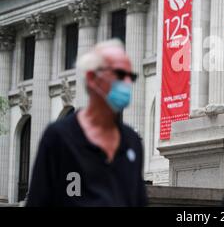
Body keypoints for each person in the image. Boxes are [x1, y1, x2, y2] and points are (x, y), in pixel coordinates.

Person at [26, 39, 147, 206]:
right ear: (92, 78)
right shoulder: (58, 137)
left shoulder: (132, 141)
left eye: (130, 76)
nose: (127, 83)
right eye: (119, 74)